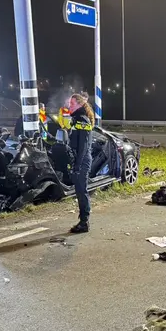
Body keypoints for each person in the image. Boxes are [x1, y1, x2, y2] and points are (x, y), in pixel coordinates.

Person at [67, 93, 94, 233]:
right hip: (79, 159)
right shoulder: (77, 119)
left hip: (82, 161)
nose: (69, 106)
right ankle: (83, 220)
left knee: (82, 191)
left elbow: (83, 146)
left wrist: (77, 165)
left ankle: (84, 222)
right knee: (79, 191)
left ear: (79, 104)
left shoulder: (82, 120)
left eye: (71, 104)